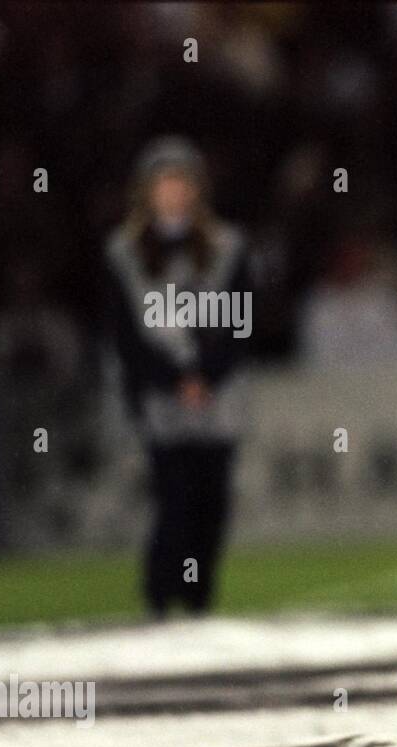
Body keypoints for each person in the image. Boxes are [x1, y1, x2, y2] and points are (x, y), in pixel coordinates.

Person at [102, 136, 252, 617]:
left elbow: (238, 324)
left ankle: (200, 595)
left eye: (180, 181)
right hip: (159, 397)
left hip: (216, 395)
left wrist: (206, 376)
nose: (172, 191)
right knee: (174, 499)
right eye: (163, 182)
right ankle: (160, 594)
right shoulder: (124, 252)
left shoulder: (227, 247)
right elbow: (126, 335)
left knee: (213, 501)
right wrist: (172, 380)